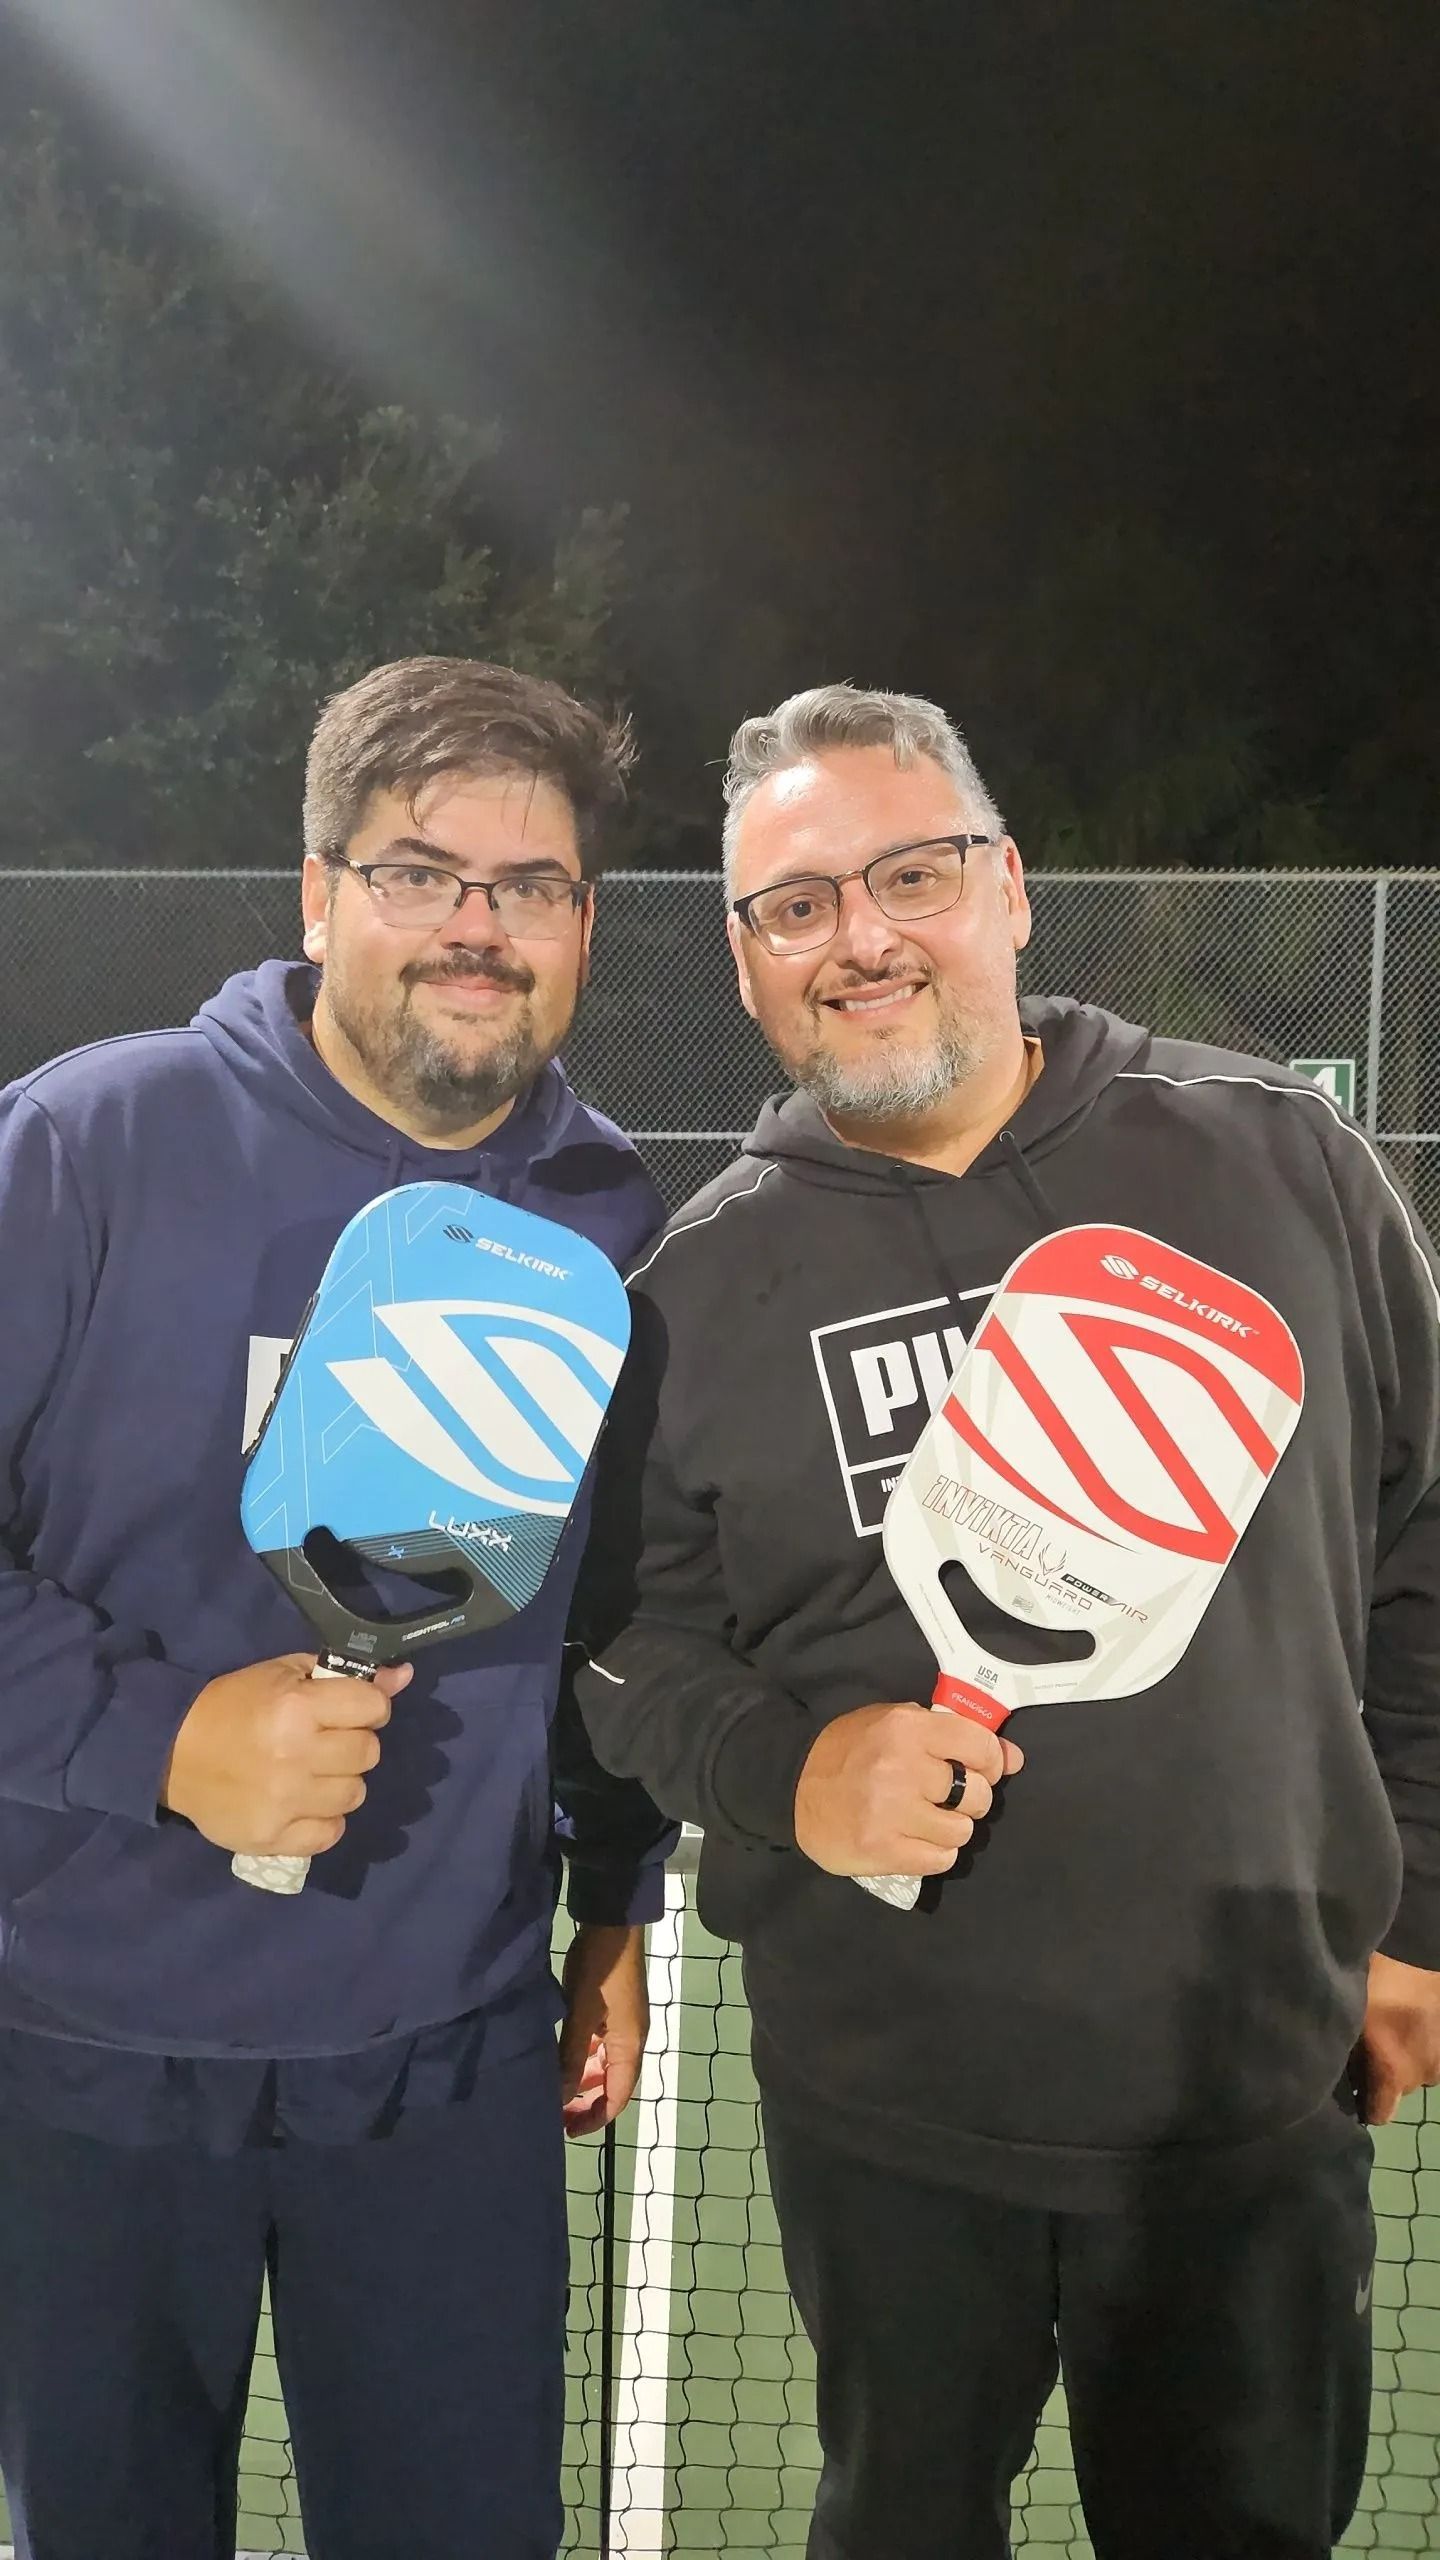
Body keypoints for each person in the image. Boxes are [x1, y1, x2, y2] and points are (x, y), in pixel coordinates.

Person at [575, 682, 1440, 2560]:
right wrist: (795, 1773)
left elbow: (1420, 1553)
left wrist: (1422, 1920)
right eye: (797, 905)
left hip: (1241, 2092)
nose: (861, 938)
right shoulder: (696, 1287)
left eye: (913, 873)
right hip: (885, 2125)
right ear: (745, 960)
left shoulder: (1282, 1158)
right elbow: (626, 1652)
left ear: (1011, 887)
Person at [0, 655, 673, 2560]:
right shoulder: (83, 1147)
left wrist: (615, 1899)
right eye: (417, 872)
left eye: (528, 885)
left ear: (583, 925)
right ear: (317, 895)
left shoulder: (610, 1221)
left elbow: (608, 1601)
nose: (477, 927)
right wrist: (162, 1738)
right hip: (84, 2064)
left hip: (450, 2070)